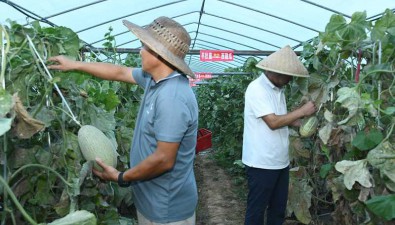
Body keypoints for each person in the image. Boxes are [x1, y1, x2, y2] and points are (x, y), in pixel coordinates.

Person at [48, 16, 198, 225]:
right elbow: (118, 71)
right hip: (151, 201)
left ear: (158, 54)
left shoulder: (171, 98)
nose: (139, 51)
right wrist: (74, 64)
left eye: (143, 46)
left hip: (166, 209)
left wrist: (121, 177)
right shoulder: (154, 80)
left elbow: (164, 160)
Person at [242, 45, 317, 225]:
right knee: (256, 211)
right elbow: (273, 122)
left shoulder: (278, 89)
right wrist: (301, 112)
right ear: (274, 72)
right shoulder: (257, 89)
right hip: (261, 162)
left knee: (277, 211)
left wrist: (301, 122)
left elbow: (281, 118)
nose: (290, 80)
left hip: (280, 161)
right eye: (288, 75)